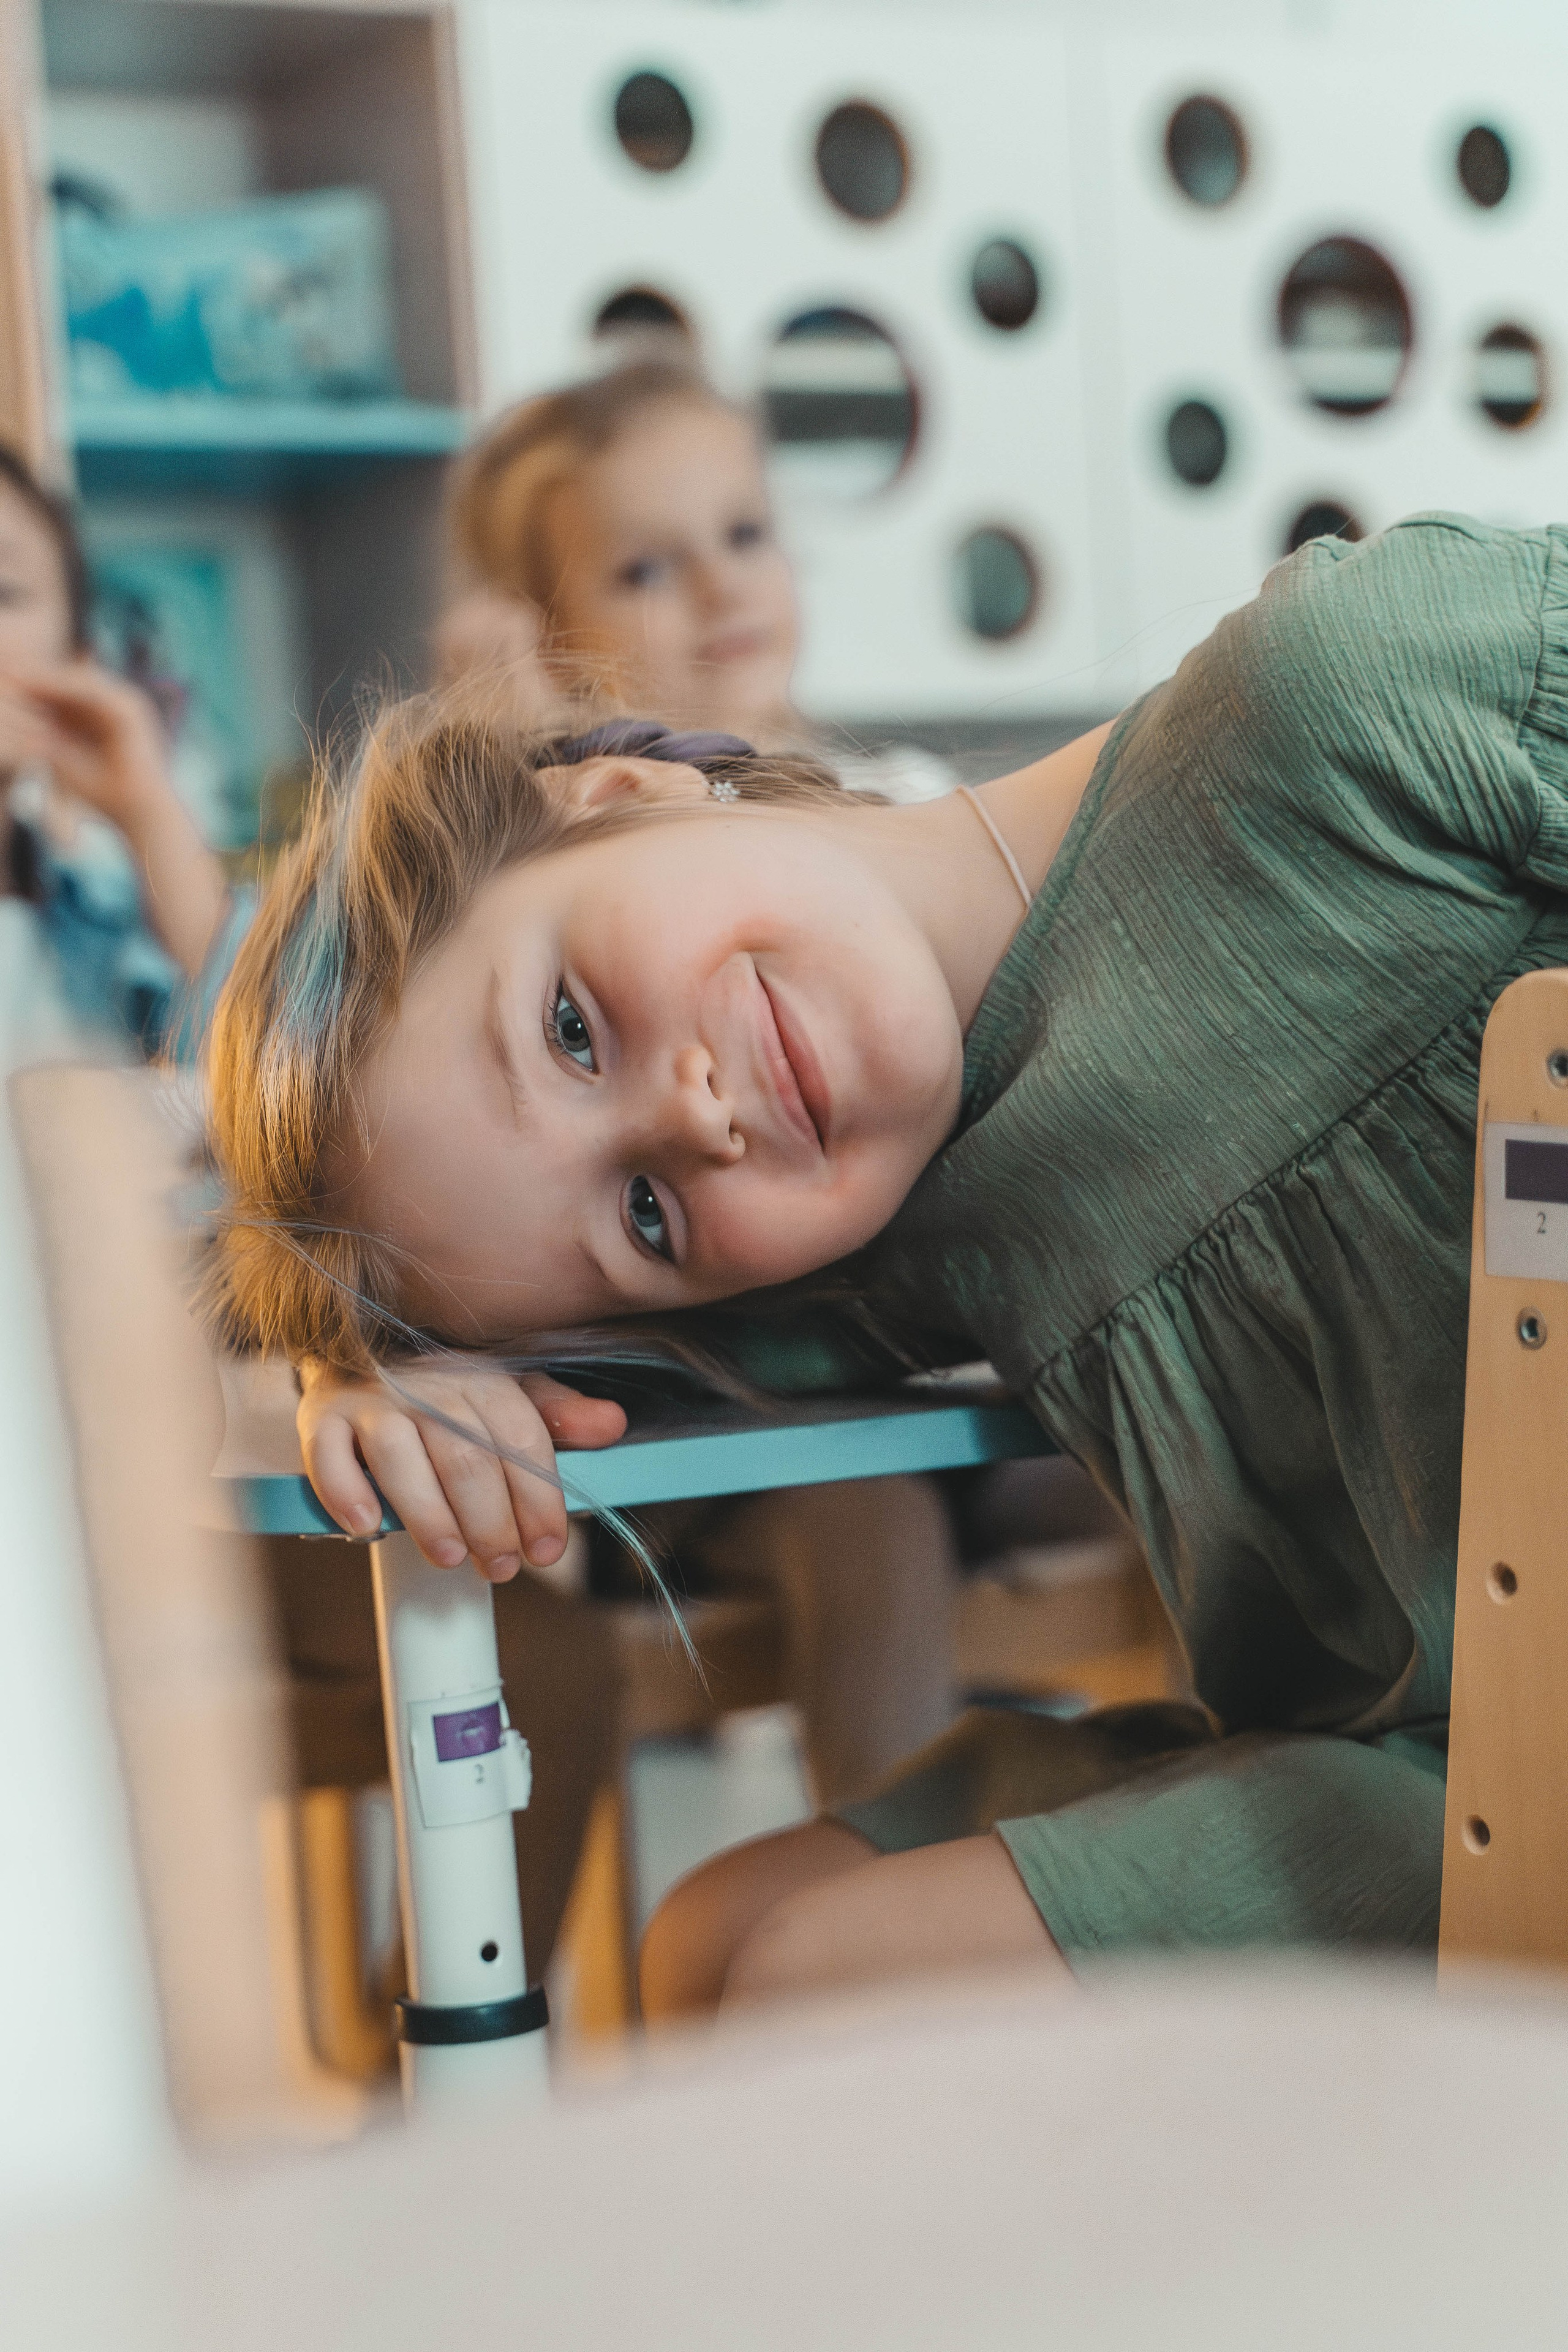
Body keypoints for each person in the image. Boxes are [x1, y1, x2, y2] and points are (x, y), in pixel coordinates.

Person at [208, 507, 1542, 2019]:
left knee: (811, 1980)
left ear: (619, 790)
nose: (693, 1120)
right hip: (1396, 1750)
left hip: (1523, 1774)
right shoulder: (888, 1223)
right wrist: (371, 1370)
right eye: (644, 1216)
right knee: (706, 1940)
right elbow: (588, 1362)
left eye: (572, 1025)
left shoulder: (1335, 700)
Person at [439, 360, 965, 1807]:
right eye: (643, 567)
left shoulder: (905, 797)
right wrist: (506, 723)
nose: (719, 588)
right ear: (553, 642)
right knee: (873, 1532)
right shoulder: (569, 861)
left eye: (741, 532)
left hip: (946, 1368)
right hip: (721, 1436)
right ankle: (890, 1918)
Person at [0, 443, 230, 1069]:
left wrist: (147, 811)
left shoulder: (99, 931)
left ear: (76, 663)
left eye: (3, 591)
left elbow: (274, 1055)